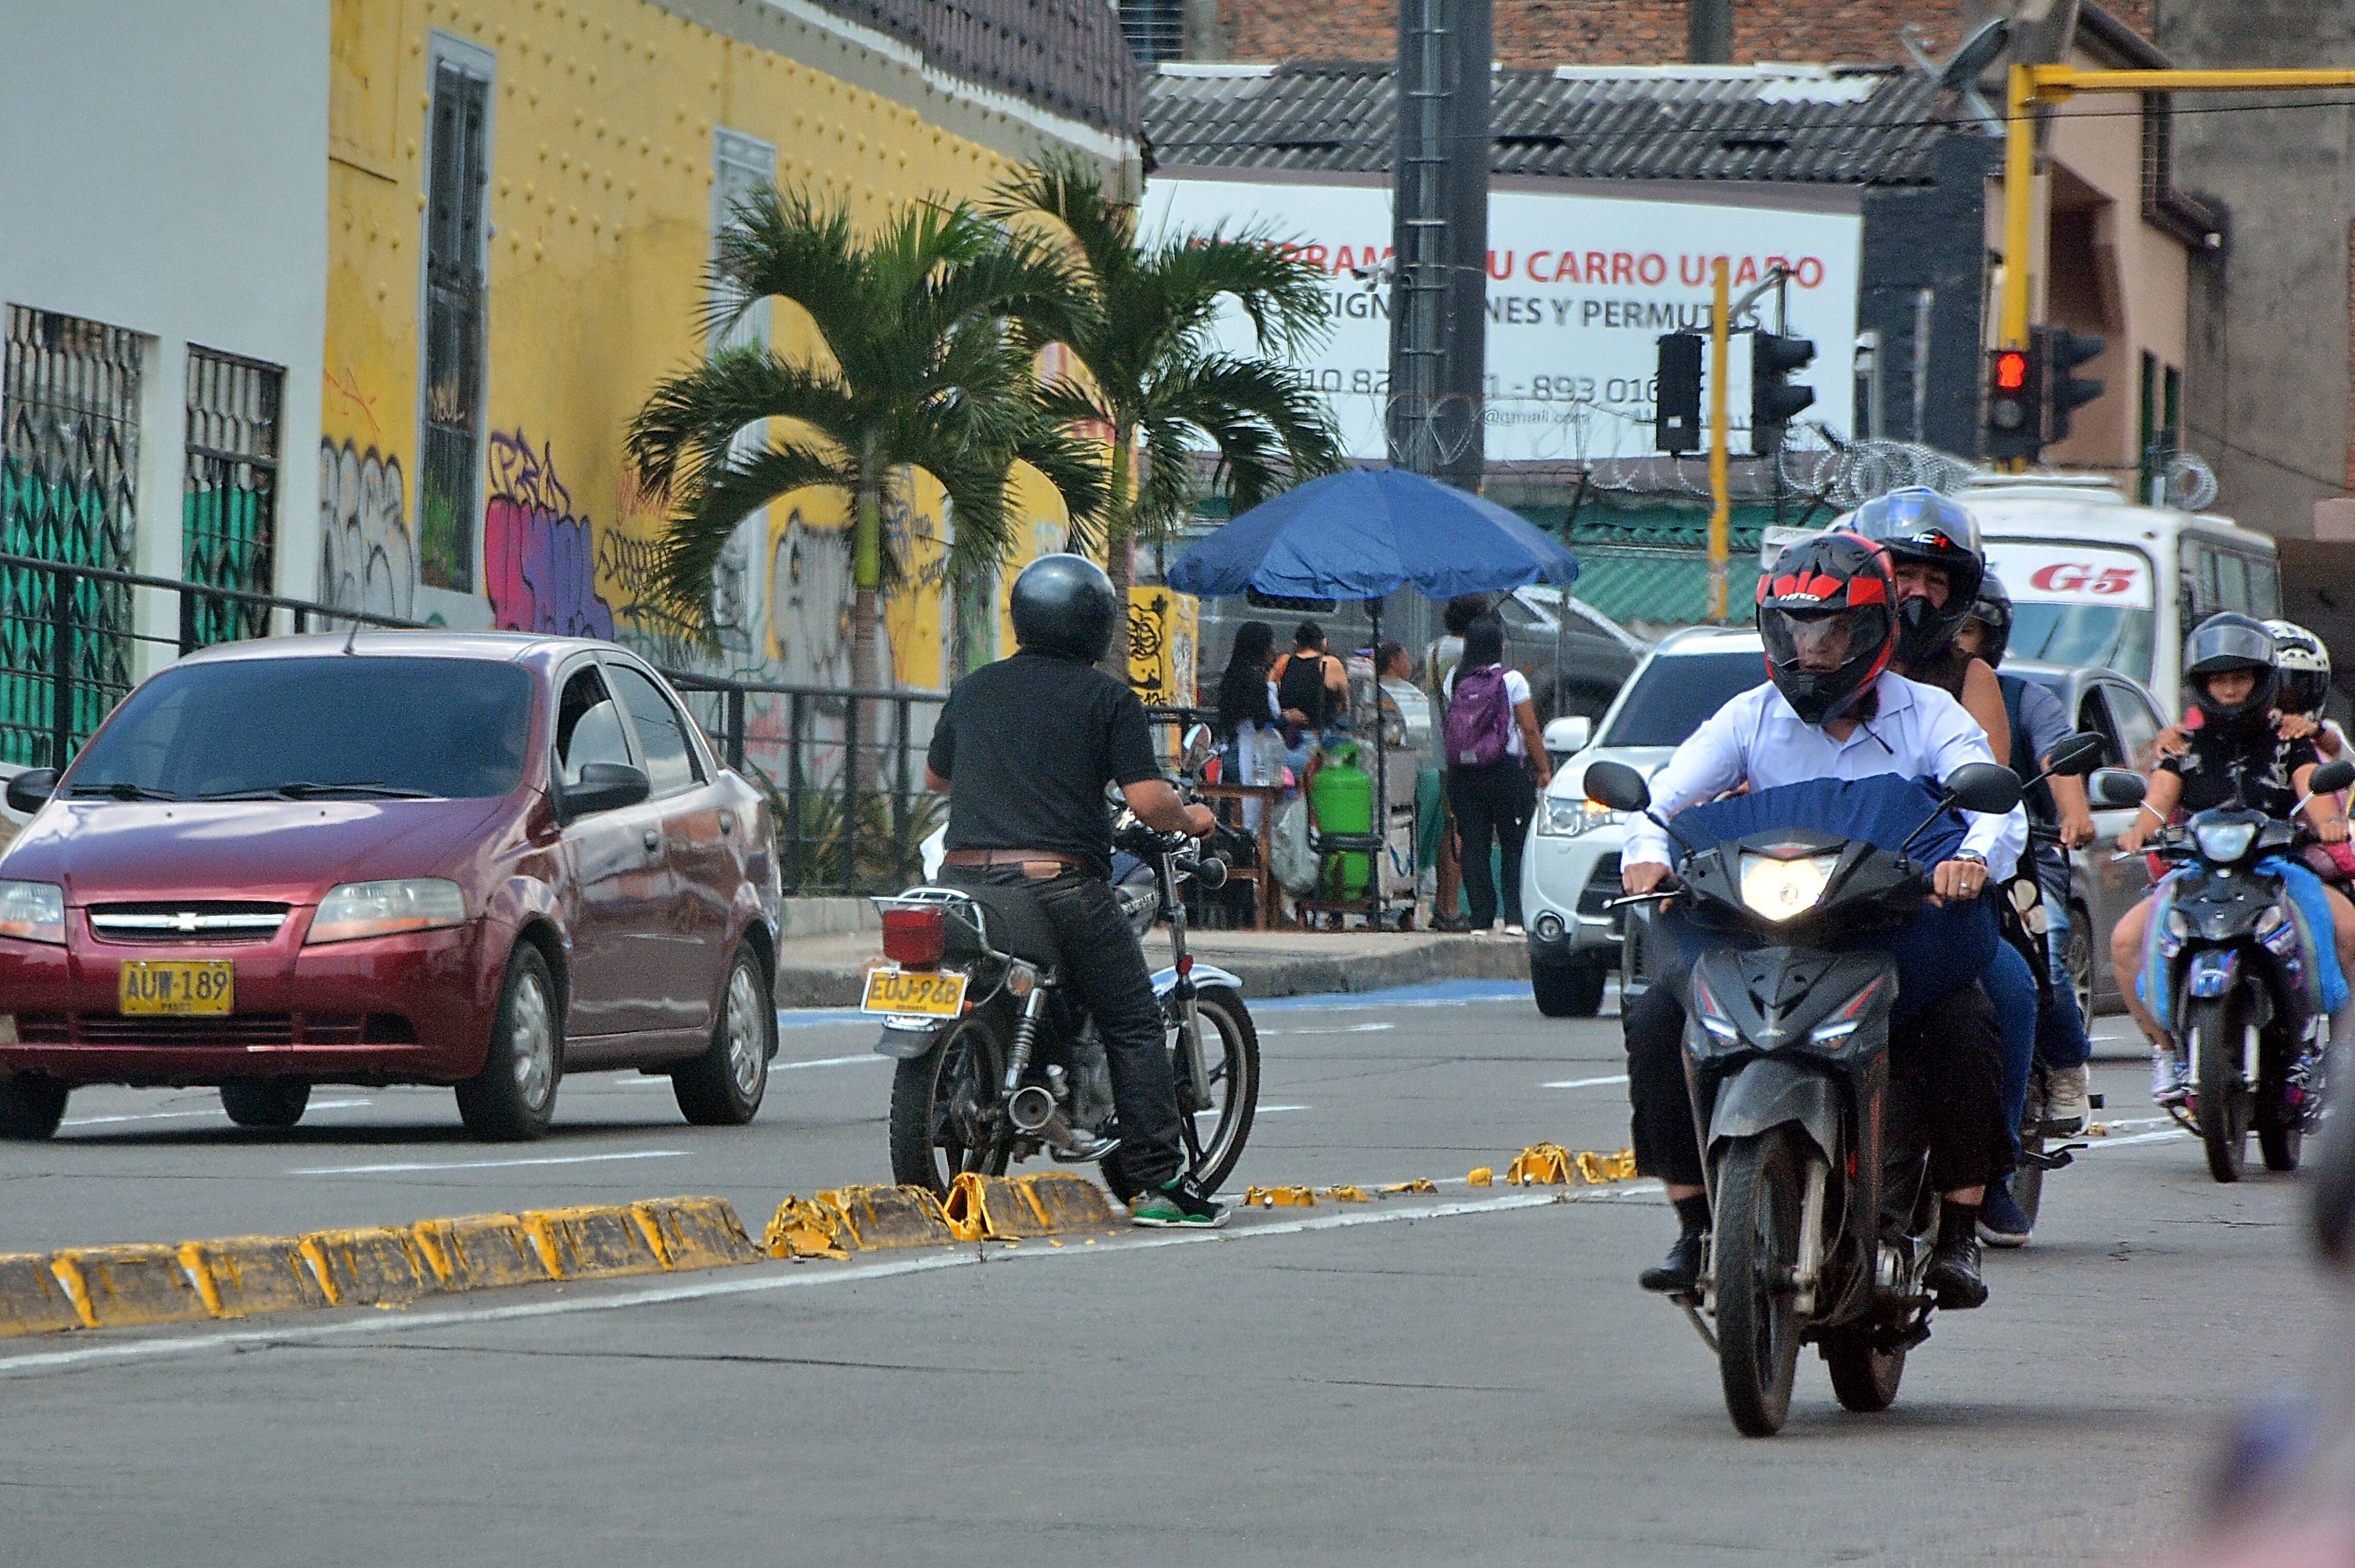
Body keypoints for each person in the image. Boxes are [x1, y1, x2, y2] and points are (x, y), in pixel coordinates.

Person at [1619, 534, 2021, 1309]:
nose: (1810, 649)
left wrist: (1969, 860)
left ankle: (1962, 1228)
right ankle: (1693, 1221)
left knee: (1972, 1015)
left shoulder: (1928, 713)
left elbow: (1990, 809)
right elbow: (1661, 802)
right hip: (1764, 927)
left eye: (1830, 630)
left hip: (1890, 925)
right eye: (1794, 631)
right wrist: (1646, 853)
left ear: (1872, 630)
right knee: (1653, 1017)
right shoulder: (1747, 716)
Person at [924, 554, 1227, 1228]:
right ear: (1095, 624)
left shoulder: (975, 688)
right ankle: (1156, 1184)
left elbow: (936, 778)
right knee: (1132, 1016)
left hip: (963, 885)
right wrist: (1194, 817)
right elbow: (1149, 802)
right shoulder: (1105, 699)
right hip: (1056, 887)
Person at [1842, 492, 2044, 1245]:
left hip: (1931, 883)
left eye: (1935, 579)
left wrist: (1961, 861)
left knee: (2011, 990)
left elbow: (1990, 786)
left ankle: (1987, 1169)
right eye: (1903, 573)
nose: (1917, 592)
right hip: (1826, 878)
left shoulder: (1969, 678)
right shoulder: (1820, 656)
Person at [2113, 613, 2355, 1105]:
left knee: (2349, 930)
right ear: (2200, 684)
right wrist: (2138, 833)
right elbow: (2155, 806)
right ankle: (2166, 1053)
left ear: (2262, 679)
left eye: (2239, 677)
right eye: (2217, 679)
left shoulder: (2290, 740)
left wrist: (2327, 823)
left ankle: (2338, 1053)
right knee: (2123, 942)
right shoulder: (2182, 746)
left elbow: (2314, 794)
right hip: (2196, 873)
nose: (2228, 689)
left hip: (2277, 869)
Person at [1957, 575, 2099, 1246]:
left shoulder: (2022, 697)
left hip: (2018, 848)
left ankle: (2063, 1064)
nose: (1953, 642)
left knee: (2039, 953)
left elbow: (2055, 760)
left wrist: (2071, 816)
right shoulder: (1880, 689)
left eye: (1967, 631)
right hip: (1895, 862)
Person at [1442, 616, 1552, 935]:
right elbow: (1529, 728)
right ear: (1499, 646)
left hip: (1463, 772)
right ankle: (1515, 918)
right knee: (1512, 842)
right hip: (1504, 770)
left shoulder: (1455, 677)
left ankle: (1480, 920)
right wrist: (1544, 768)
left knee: (1474, 843)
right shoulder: (1512, 679)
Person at [1426, 596, 1491, 931]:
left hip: (1443, 751)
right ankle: (1449, 908)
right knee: (1459, 831)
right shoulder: (1459, 654)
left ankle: (1444, 904)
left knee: (1451, 828)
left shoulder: (1435, 648)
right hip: (1462, 753)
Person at [1214, 620, 1284, 829]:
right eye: (1269, 645)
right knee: (1251, 812)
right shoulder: (1254, 682)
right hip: (1251, 752)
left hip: (1229, 750)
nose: (1273, 650)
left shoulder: (1232, 675)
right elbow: (1265, 719)